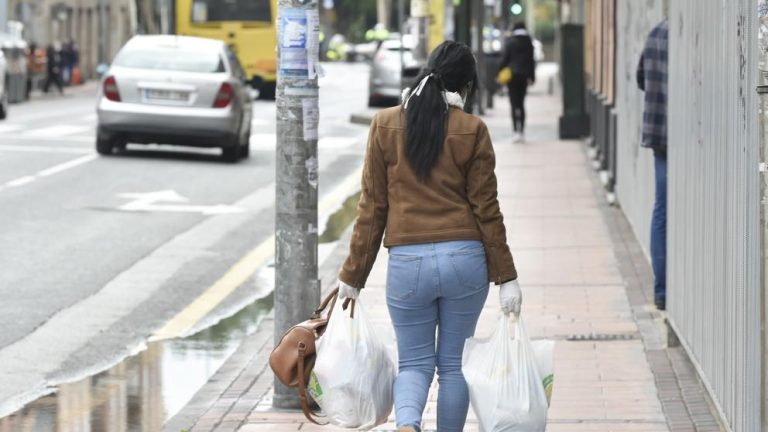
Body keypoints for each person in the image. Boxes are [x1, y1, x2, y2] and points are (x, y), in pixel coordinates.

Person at [336, 41, 522, 432]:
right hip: (465, 262)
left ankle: (407, 423)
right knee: (453, 367)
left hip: (408, 264)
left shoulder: (385, 124)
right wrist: (507, 277)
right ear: (465, 86)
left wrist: (353, 276)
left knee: (414, 364)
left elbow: (372, 209)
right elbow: (487, 209)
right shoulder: (472, 129)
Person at [636, 19, 668, 311]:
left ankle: (662, 290)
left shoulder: (657, 31)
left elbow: (641, 79)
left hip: (661, 136)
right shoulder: (692, 34)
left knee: (662, 210)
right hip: (691, 138)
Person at [499, 22, 536, 143]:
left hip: (512, 77)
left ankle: (515, 131)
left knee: (513, 104)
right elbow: (531, 61)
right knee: (521, 103)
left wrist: (499, 72)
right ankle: (522, 131)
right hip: (524, 77)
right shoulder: (528, 42)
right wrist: (532, 77)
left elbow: (505, 59)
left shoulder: (511, 41)